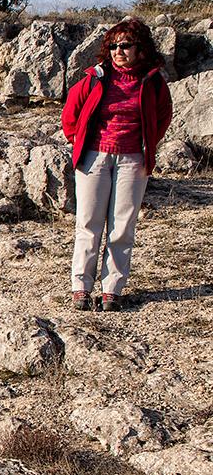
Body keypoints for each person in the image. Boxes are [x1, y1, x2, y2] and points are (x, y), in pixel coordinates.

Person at [61, 18, 172, 312]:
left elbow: (162, 117)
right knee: (88, 222)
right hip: (94, 157)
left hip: (133, 159)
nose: (118, 51)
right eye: (113, 45)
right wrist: (80, 141)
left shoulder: (153, 81)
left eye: (125, 45)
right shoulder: (96, 78)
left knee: (122, 226)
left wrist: (145, 145)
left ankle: (112, 289)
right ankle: (81, 287)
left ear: (140, 49)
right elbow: (70, 115)